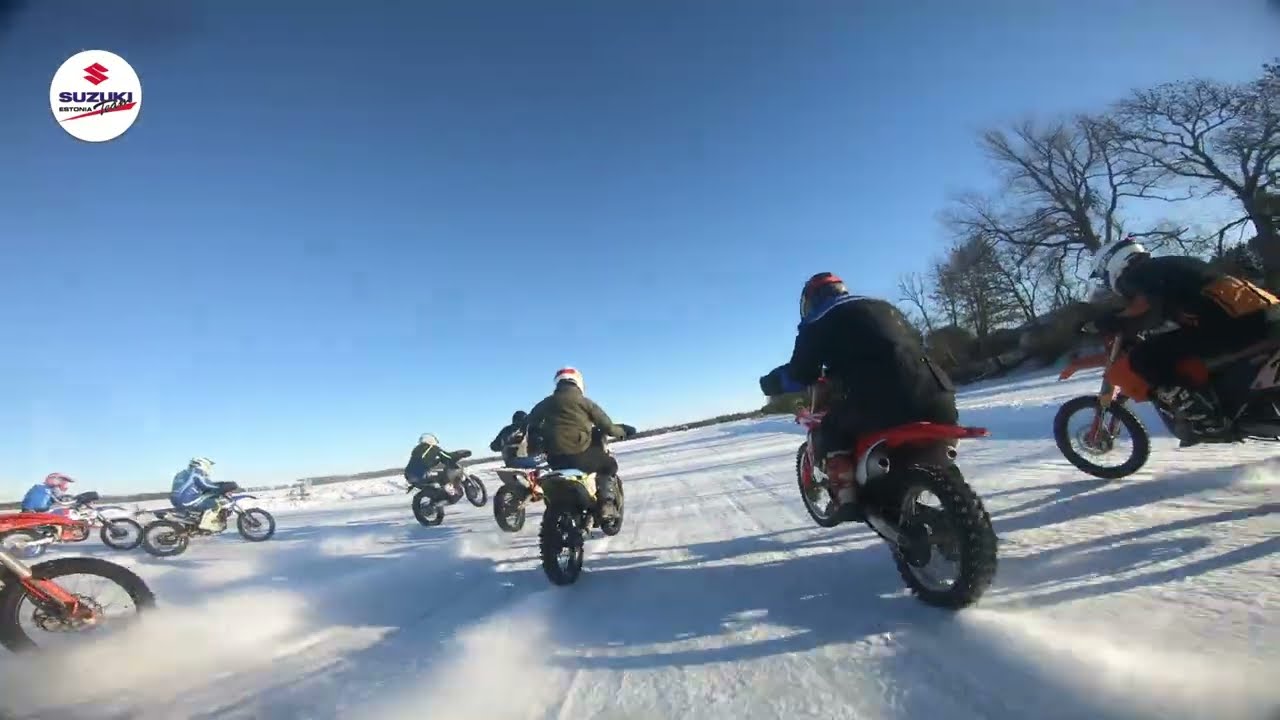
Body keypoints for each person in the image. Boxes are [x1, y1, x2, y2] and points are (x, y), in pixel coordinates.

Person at [759, 272, 957, 502]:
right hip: (938, 395)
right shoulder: (886, 308)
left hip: (879, 402)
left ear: (810, 301)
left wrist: (771, 383)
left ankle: (847, 497)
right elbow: (914, 345)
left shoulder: (817, 319)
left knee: (827, 430)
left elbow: (801, 373)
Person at [1087, 234, 1280, 443]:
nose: (1107, 282)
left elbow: (1143, 307)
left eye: (1104, 277)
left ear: (1112, 264)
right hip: (1262, 314)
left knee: (1144, 357)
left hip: (1237, 321)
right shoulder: (1169, 267)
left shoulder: (1139, 273)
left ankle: (1205, 419)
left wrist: (1109, 321)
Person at [525, 368, 636, 520]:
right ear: (578, 382)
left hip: (554, 459)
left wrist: (535, 447)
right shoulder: (585, 403)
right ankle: (606, 504)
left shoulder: (544, 404)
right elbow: (608, 427)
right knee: (608, 464)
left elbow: (530, 424)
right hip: (579, 455)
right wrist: (624, 431)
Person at [170, 457, 226, 531]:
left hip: (175, 500)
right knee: (215, 502)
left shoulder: (181, 473)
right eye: (208, 465)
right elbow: (206, 484)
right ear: (203, 464)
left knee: (203, 500)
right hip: (187, 500)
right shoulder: (196, 472)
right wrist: (222, 487)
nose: (209, 468)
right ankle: (207, 524)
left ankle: (193, 525)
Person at [404, 433, 464, 499]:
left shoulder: (417, 449)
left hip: (409, 475)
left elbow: (422, 461)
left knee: (435, 481)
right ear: (431, 439)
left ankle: (431, 497)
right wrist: (461, 454)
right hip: (420, 474)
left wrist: (436, 461)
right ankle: (449, 494)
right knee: (444, 476)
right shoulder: (433, 448)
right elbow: (448, 457)